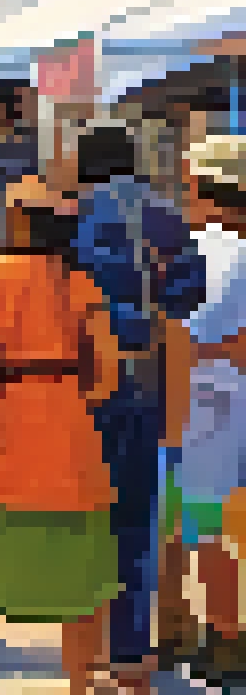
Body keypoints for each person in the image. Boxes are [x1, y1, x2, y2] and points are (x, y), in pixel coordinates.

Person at [0, 176, 124, 695]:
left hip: (0, 426)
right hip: (68, 432)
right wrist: (70, 394)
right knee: (83, 577)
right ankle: (80, 683)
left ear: (17, 222)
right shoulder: (81, 287)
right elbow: (107, 376)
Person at [71, 122, 207, 689]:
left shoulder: (75, 214)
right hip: (147, 378)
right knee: (135, 520)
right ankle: (128, 652)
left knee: (83, 516)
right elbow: (189, 291)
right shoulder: (166, 216)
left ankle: (84, 656)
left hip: (81, 380)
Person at [173, 135, 246, 683]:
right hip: (221, 399)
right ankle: (215, 640)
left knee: (189, 525)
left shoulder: (189, 248)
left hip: (191, 400)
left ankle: (201, 638)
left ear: (197, 185)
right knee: (207, 524)